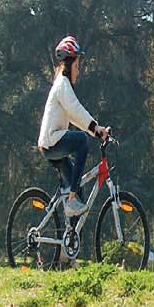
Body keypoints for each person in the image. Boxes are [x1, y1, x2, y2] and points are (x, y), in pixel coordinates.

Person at [38, 36, 110, 218]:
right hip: (52, 143)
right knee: (81, 141)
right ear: (69, 66)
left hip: (53, 144)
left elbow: (75, 118)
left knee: (79, 195)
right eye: (77, 67)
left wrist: (96, 129)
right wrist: (95, 129)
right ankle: (70, 200)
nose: (78, 72)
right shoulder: (62, 84)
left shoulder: (63, 86)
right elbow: (76, 110)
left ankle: (70, 242)